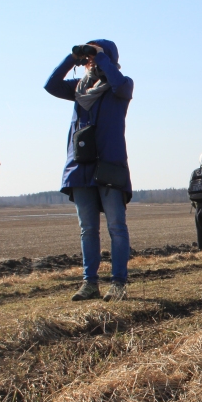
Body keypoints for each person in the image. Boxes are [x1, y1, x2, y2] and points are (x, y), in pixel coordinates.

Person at [45, 40, 133, 302]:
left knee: (117, 227)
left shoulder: (121, 86)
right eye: (89, 56)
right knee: (88, 229)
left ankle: (118, 284)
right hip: (80, 167)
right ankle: (90, 283)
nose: (90, 60)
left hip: (110, 165)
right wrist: (72, 58)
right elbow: (51, 85)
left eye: (95, 54)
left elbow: (118, 83)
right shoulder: (79, 88)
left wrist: (102, 57)